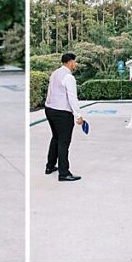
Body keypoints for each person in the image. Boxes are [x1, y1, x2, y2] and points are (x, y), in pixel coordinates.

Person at [44, 53, 84, 182]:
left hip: (49, 109)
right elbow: (72, 97)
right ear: (69, 62)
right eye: (75, 61)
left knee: (55, 137)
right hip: (62, 112)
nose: (75, 64)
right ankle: (64, 173)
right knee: (64, 142)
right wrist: (78, 115)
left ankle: (50, 166)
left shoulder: (55, 73)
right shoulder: (68, 77)